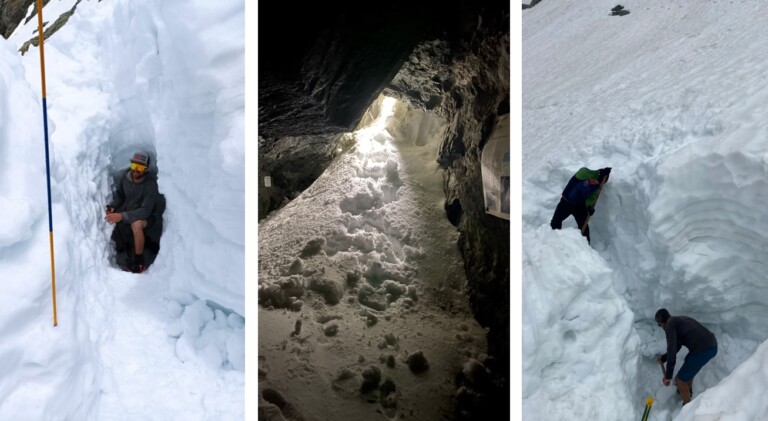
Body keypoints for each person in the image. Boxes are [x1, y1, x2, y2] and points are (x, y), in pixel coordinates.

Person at [105, 151, 160, 273]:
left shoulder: (150, 184)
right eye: (134, 166)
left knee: (136, 224)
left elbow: (145, 211)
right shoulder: (126, 177)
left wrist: (122, 216)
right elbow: (120, 195)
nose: (136, 170)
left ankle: (139, 262)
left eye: (140, 167)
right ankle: (128, 248)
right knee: (117, 222)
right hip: (130, 211)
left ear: (146, 169)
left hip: (148, 217)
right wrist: (113, 206)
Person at [654, 308, 718, 406]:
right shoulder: (677, 320)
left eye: (659, 324)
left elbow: (672, 351)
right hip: (710, 345)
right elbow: (676, 347)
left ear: (662, 322)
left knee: (680, 379)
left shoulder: (670, 325)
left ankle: (687, 408)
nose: (660, 327)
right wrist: (663, 358)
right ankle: (687, 390)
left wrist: (668, 376)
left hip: (704, 349)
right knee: (688, 361)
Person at [550, 167, 611, 243]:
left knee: (584, 228)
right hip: (566, 202)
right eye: (596, 180)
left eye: (600, 182)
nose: (596, 182)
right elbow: (584, 179)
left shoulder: (597, 185)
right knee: (556, 222)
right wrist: (598, 173)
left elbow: (592, 197)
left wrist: (589, 206)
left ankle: (586, 249)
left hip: (579, 206)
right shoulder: (584, 173)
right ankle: (553, 243)